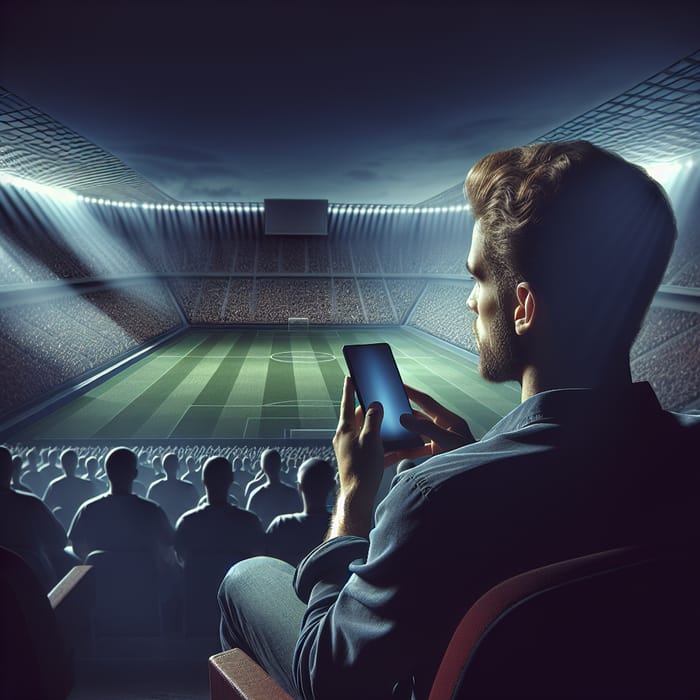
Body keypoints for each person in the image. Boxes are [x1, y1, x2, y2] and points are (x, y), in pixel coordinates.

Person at [218, 141, 700, 699]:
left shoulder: (433, 498)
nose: (471, 302)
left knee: (245, 577)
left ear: (523, 307)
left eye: (477, 278)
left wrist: (351, 501)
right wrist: (471, 460)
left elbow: (327, 677)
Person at [68, 447, 174, 564]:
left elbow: (77, 546)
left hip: (102, 579)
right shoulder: (152, 510)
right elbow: (169, 546)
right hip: (143, 580)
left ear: (107, 472)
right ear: (135, 474)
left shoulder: (88, 509)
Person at [0, 445, 70, 590]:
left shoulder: (32, 502)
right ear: (11, 470)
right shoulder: (31, 503)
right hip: (33, 583)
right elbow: (60, 540)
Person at [175, 456, 265, 565]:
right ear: (231, 480)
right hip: (236, 582)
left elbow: (180, 559)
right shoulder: (249, 522)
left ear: (204, 481)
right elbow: (260, 559)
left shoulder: (187, 522)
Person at [265, 458, 336, 567]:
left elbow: (265, 565)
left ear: (299, 486)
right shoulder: (340, 526)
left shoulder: (281, 525)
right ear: (332, 486)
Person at [246, 449, 302, 530]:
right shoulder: (293, 493)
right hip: (288, 540)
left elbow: (249, 525)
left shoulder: (256, 494)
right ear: (280, 465)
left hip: (264, 541)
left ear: (262, 467)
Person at [43, 448, 95, 531]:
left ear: (61, 464)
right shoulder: (87, 485)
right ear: (76, 463)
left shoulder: (56, 485)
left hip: (62, 527)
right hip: (82, 527)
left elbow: (45, 509)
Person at [146, 452, 199, 526]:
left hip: (162, 528)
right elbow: (196, 509)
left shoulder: (155, 487)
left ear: (163, 467)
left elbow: (149, 512)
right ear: (178, 467)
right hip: (185, 527)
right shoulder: (189, 487)